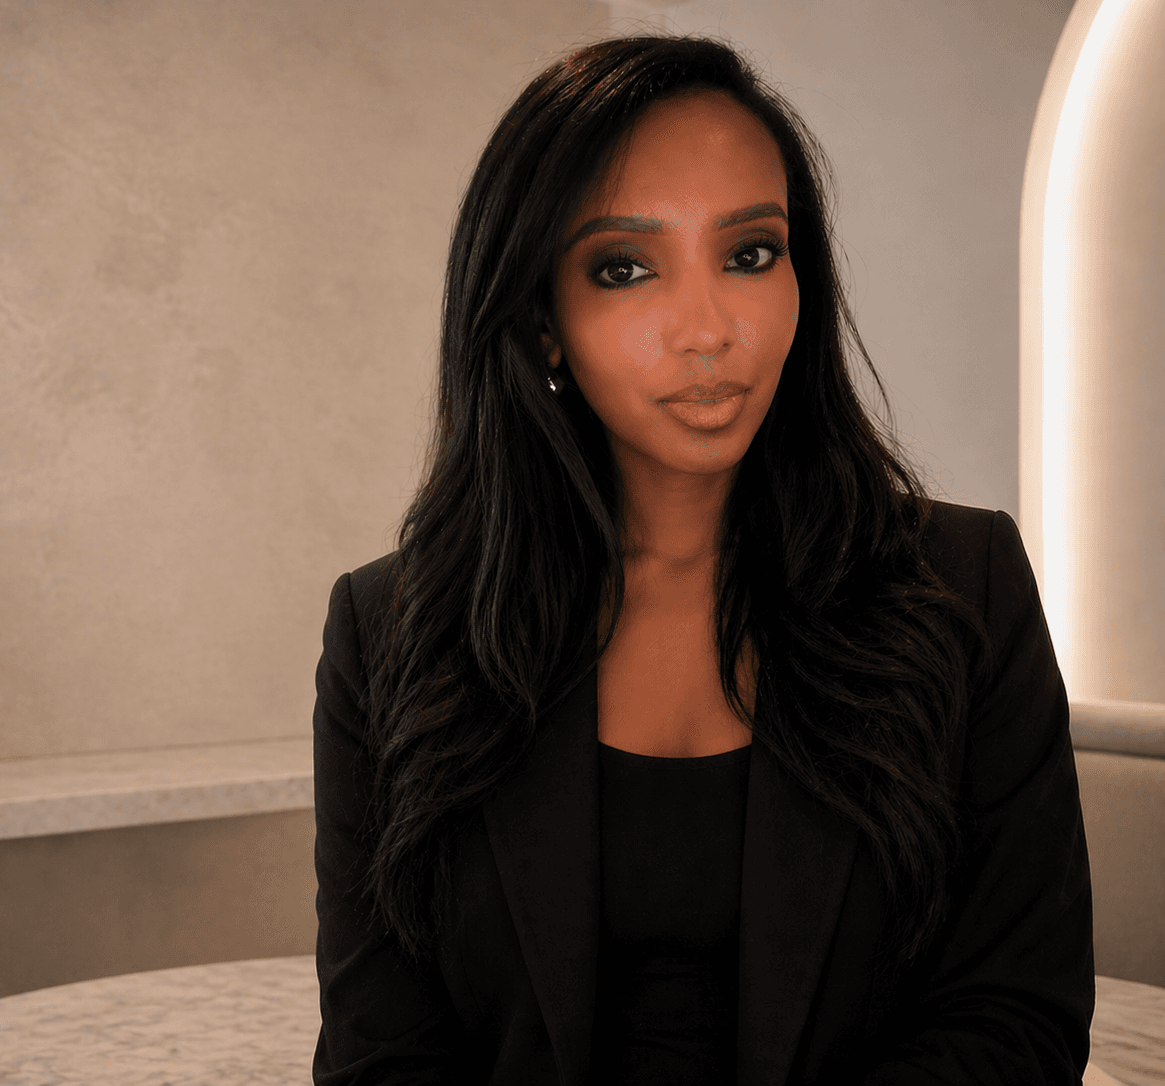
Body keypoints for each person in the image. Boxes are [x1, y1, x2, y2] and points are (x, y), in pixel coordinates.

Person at [311, 34, 1093, 1086]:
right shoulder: (388, 630)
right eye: (625, 267)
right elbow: (381, 1054)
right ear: (543, 320)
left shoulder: (965, 586)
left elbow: (1015, 1017)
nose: (708, 328)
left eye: (748, 254)